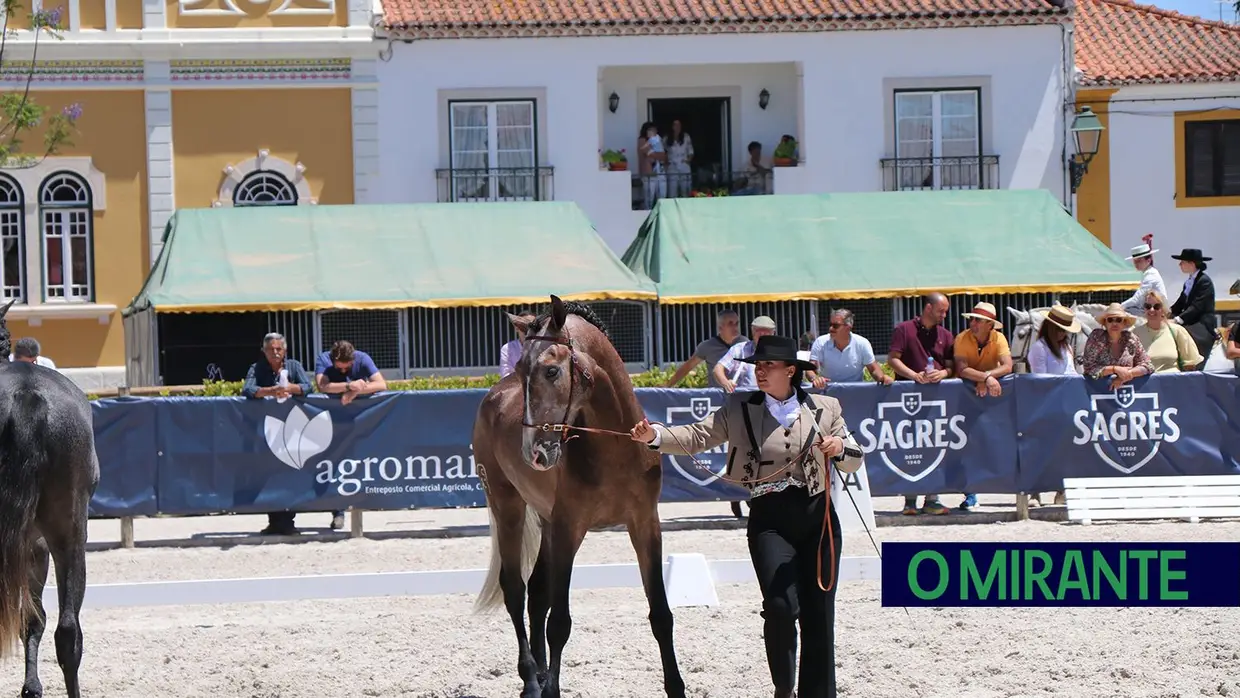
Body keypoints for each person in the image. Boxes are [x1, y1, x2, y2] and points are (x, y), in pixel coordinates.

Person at [629, 335, 862, 698]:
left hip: (819, 518)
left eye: (769, 366)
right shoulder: (739, 407)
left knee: (819, 613)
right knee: (780, 605)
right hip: (769, 518)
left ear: (790, 371)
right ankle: (783, 687)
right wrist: (655, 436)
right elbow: (697, 435)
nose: (761, 372)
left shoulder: (826, 407)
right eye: (758, 366)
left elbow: (855, 456)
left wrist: (839, 447)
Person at [242, 332, 315, 536]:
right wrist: (271, 391)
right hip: (266, 429)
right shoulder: (256, 368)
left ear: (285, 351)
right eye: (271, 349)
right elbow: (247, 389)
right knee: (268, 474)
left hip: (292, 428)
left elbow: (309, 387)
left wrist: (291, 388)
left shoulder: (294, 366)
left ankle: (288, 521)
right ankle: (274, 521)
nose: (275, 353)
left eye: (278, 349)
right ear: (264, 351)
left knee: (291, 472)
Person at [951, 302, 1013, 512]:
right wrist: (987, 378)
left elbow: (1008, 366)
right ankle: (970, 493)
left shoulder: (999, 338)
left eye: (977, 320)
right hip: (964, 399)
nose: (972, 323)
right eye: (972, 319)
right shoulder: (962, 338)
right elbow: (961, 370)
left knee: (997, 442)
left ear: (990, 325)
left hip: (991, 397)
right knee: (964, 446)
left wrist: (985, 378)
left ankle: (1014, 490)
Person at [1024, 304, 1082, 507]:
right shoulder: (1039, 348)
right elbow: (1041, 379)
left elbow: (1071, 372)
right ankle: (1034, 492)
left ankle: (1061, 490)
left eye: (1064, 329)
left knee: (1064, 450)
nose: (1062, 333)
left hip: (1065, 404)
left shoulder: (1066, 348)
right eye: (1058, 328)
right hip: (1046, 404)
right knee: (1041, 450)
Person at [1080, 303, 1154, 388]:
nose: (1114, 323)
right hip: (1097, 392)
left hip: (1127, 392)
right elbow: (1088, 367)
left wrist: (1128, 375)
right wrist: (1114, 369)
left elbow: (1149, 366)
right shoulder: (1096, 337)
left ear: (1124, 323)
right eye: (1110, 320)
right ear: (1105, 323)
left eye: (1119, 320)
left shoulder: (1131, 339)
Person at [1168, 248, 1218, 366]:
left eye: (1182, 262)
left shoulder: (1204, 281)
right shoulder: (1189, 281)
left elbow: (1197, 306)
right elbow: (1180, 303)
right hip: (1191, 319)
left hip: (1202, 323)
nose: (1180, 264)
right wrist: (1166, 313)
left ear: (1191, 264)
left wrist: (1176, 320)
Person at [1134, 290, 1202, 373]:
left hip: (1173, 383)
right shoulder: (1135, 334)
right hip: (1146, 384)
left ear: (1163, 309)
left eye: (1157, 306)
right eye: (1148, 306)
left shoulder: (1177, 331)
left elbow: (1190, 365)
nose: (1151, 310)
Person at [1120, 235, 1167, 316]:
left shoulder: (1150, 276)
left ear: (1148, 260)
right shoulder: (1148, 273)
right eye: (1135, 261)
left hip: (1157, 310)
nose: (1136, 264)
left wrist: (1119, 306)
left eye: (1139, 261)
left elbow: (1137, 299)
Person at [500, 309, 536, 378]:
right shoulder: (507, 349)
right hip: (516, 386)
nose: (528, 329)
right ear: (516, 328)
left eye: (531, 326)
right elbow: (506, 375)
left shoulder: (543, 347)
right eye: (523, 325)